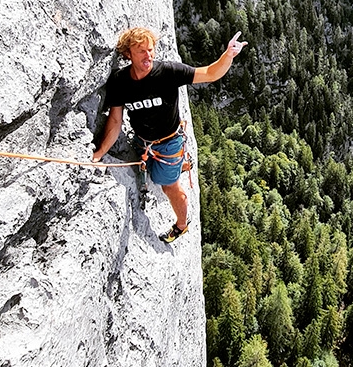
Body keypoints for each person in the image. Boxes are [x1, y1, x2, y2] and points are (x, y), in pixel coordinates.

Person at [93, 26, 247, 243]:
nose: (148, 56)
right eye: (141, 51)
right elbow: (116, 120)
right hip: (142, 141)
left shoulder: (167, 73)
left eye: (150, 50)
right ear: (128, 54)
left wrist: (228, 55)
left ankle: (181, 225)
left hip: (169, 144)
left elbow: (211, 73)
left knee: (168, 185)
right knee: (151, 173)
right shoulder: (120, 81)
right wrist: (100, 152)